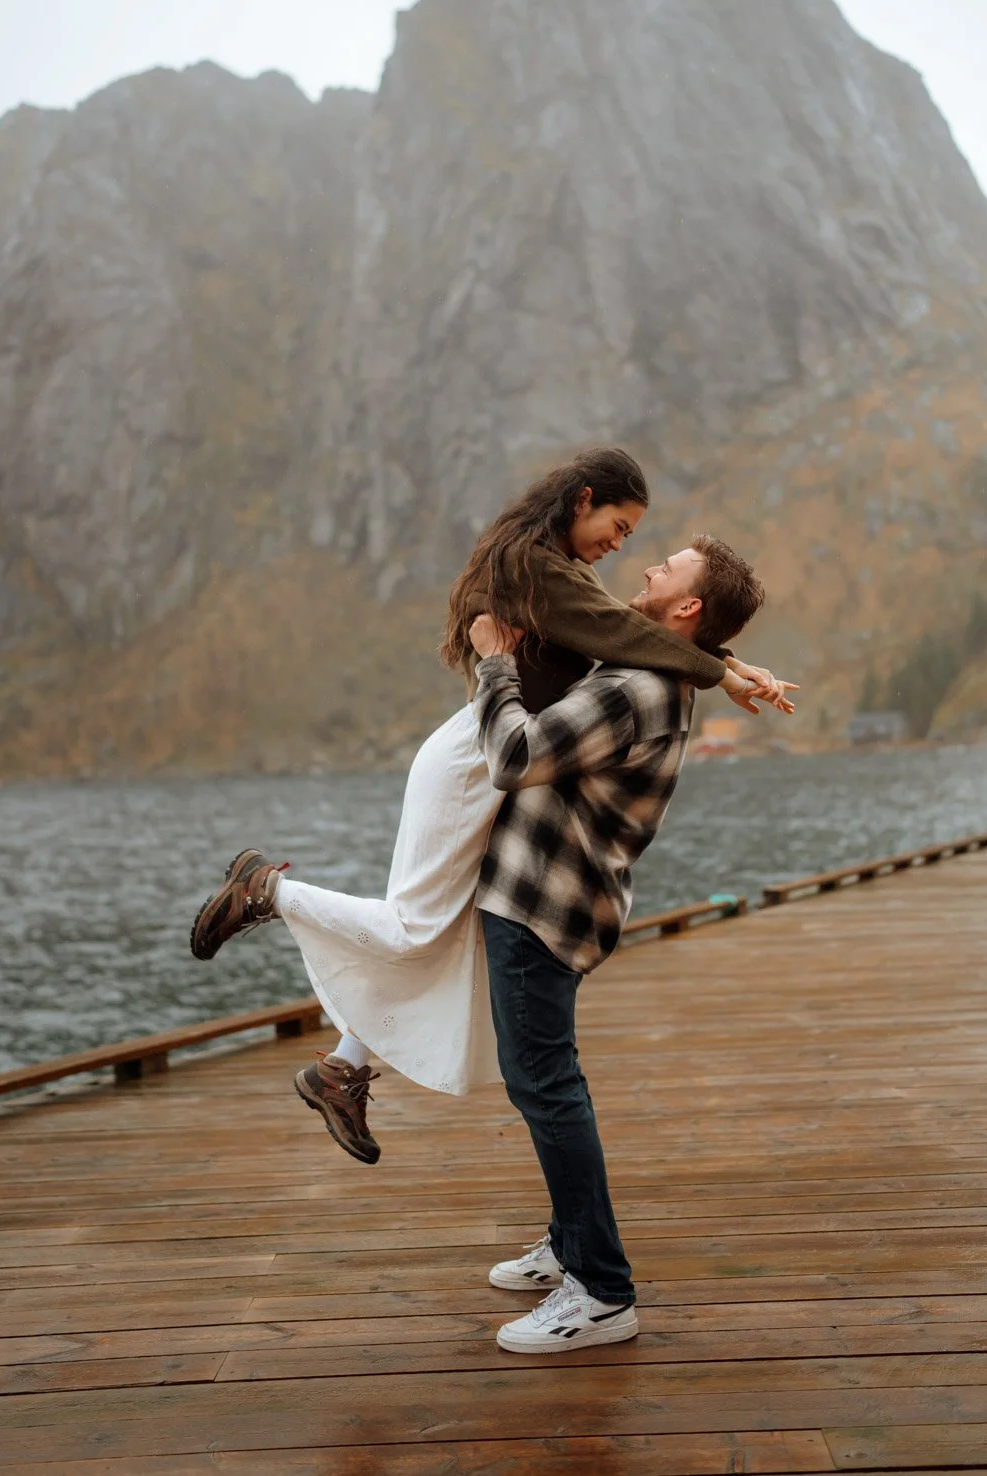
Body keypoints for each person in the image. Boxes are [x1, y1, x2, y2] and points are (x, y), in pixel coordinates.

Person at [188, 449, 792, 1163]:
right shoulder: (533, 565)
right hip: (477, 759)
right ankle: (268, 891)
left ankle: (342, 1068)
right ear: (583, 498)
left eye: (633, 539)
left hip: (496, 751)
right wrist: (721, 672)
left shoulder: (558, 567)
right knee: (416, 927)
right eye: (620, 526)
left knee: (460, 938)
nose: (623, 549)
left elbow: (633, 633)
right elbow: (624, 634)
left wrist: (725, 662)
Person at [469, 535, 777, 1354]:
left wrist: (494, 662)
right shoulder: (656, 667)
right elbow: (618, 625)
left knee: (545, 1086)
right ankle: (569, 1244)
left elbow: (513, 755)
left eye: (666, 568)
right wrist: (736, 666)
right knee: (542, 1081)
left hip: (546, 903)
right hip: (551, 896)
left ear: (685, 608)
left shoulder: (637, 688)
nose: (643, 567)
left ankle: (601, 1292)